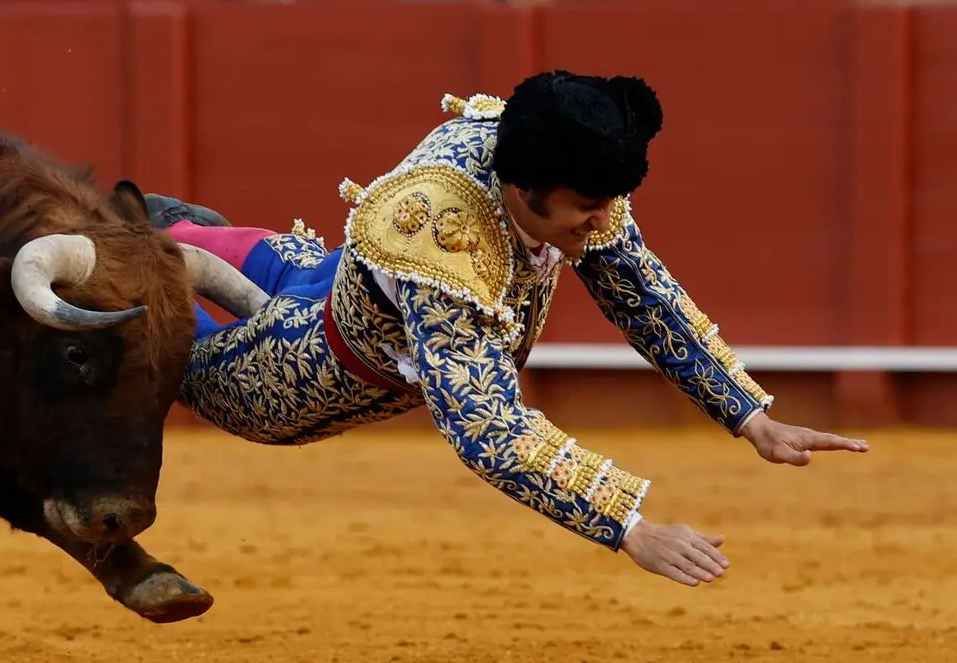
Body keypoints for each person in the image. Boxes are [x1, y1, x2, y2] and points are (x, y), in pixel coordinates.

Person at [135, 70, 869, 621]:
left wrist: (750, 416)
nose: (602, 221)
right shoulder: (447, 240)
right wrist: (629, 526)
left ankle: (159, 234)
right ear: (523, 193)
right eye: (587, 209)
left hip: (337, 278)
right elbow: (487, 426)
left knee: (199, 245)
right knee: (141, 329)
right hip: (299, 375)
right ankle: (124, 251)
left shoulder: (551, 155)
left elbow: (640, 292)